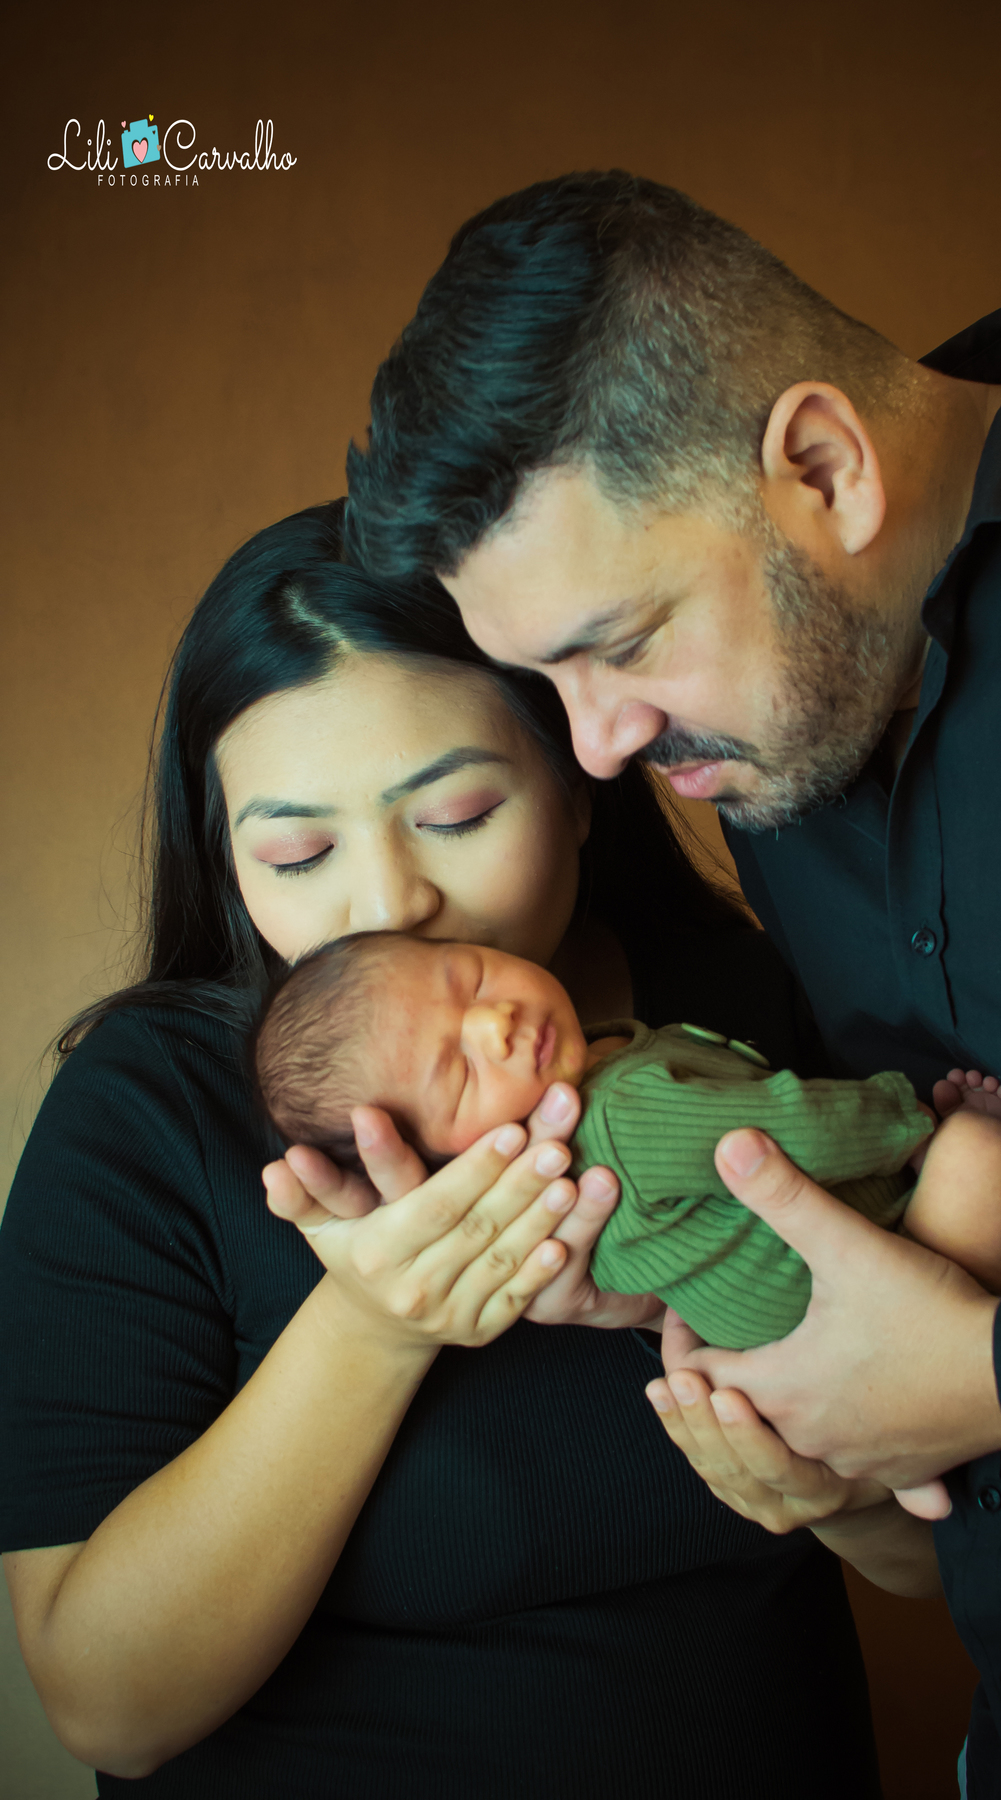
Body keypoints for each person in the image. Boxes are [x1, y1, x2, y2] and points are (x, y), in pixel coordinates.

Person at [342, 172, 1001, 1798]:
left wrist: (997, 1380)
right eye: (545, 682)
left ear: (821, 464)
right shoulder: (761, 749)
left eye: (625, 640)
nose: (592, 745)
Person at [2, 500, 952, 1800]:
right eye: (297, 851)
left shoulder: (753, 1010)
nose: (387, 903)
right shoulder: (150, 1113)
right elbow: (108, 1707)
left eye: (451, 815)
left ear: (574, 782)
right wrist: (375, 1328)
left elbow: (942, 1552)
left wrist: (826, 1488)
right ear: (229, 866)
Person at [253, 928, 1001, 1350]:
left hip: (789, 1340)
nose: (497, 1023)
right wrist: (905, 1122)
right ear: (447, 1164)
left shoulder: (592, 1077)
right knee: (981, 1159)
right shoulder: (621, 1115)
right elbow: (787, 1127)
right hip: (869, 1290)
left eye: (471, 976)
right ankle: (985, 1309)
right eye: (458, 1072)